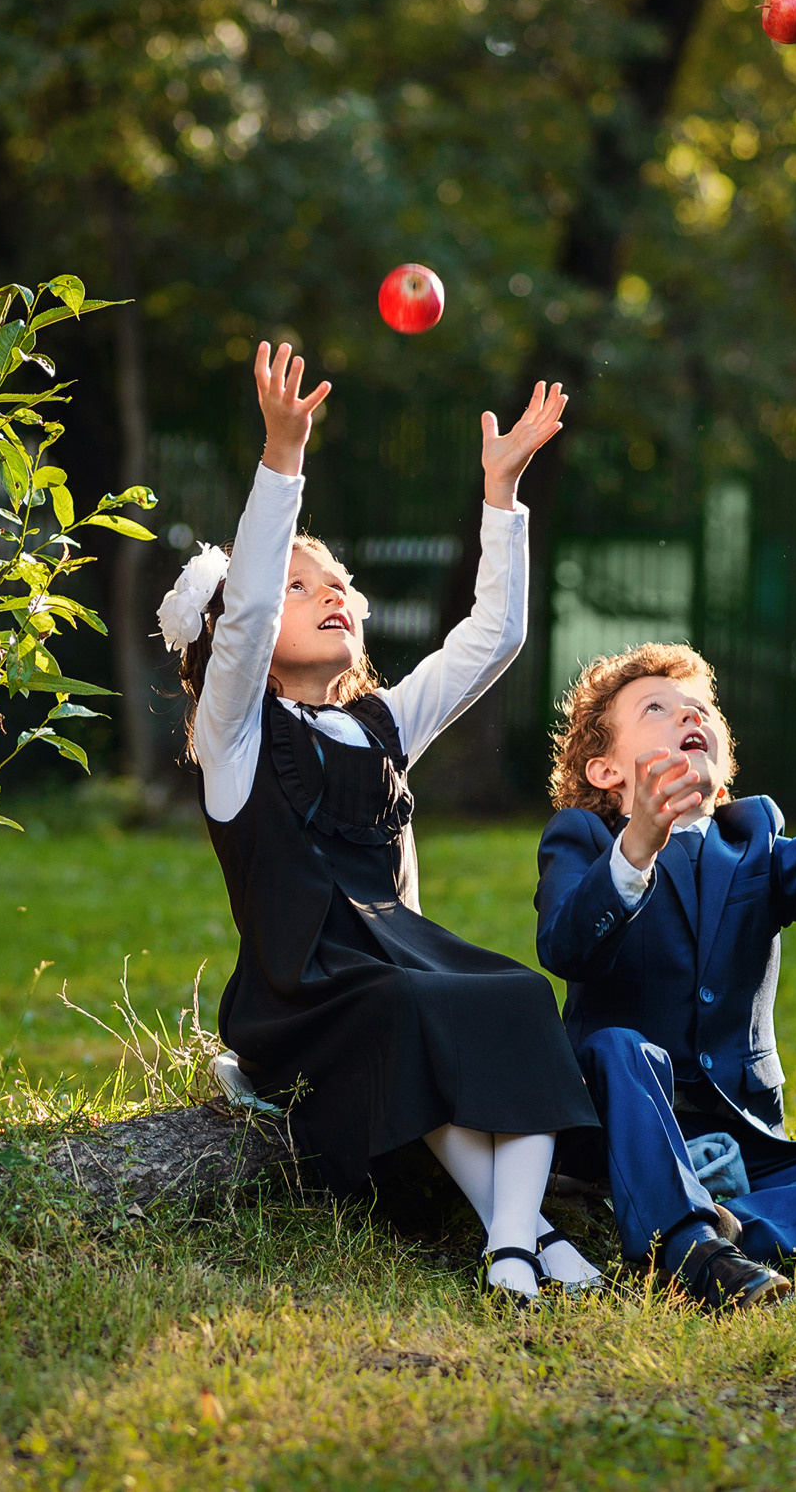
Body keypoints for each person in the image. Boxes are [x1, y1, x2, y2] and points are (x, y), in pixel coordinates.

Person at [162, 341, 600, 1303]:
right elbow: (240, 625)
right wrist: (284, 458)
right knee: (408, 1009)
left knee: (515, 997)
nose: (332, 594)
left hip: (402, 963)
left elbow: (496, 637)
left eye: (338, 584)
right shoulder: (233, 734)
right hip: (305, 997)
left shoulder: (382, 723)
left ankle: (513, 1240)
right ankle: (525, 1238)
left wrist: (503, 492)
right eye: (297, 584)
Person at [532, 630, 796, 1309]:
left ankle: (732, 1234)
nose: (689, 715)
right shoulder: (585, 839)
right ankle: (678, 1247)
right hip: (620, 1125)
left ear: (724, 777)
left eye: (699, 708)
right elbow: (564, 945)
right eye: (657, 709)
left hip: (745, 1140)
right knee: (617, 1044)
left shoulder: (751, 843)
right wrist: (639, 842)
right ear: (605, 771)